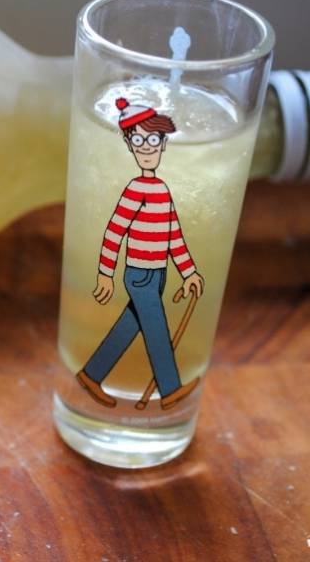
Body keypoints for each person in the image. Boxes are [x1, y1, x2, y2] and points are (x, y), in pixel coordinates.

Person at [76, 98, 203, 411]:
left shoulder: (162, 190)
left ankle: (91, 374)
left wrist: (189, 272)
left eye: (153, 139)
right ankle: (170, 389)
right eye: (138, 140)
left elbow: (173, 236)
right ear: (129, 146)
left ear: (163, 144)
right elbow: (114, 230)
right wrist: (105, 274)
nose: (146, 147)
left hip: (158, 274)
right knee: (157, 330)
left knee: (127, 328)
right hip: (140, 275)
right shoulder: (135, 190)